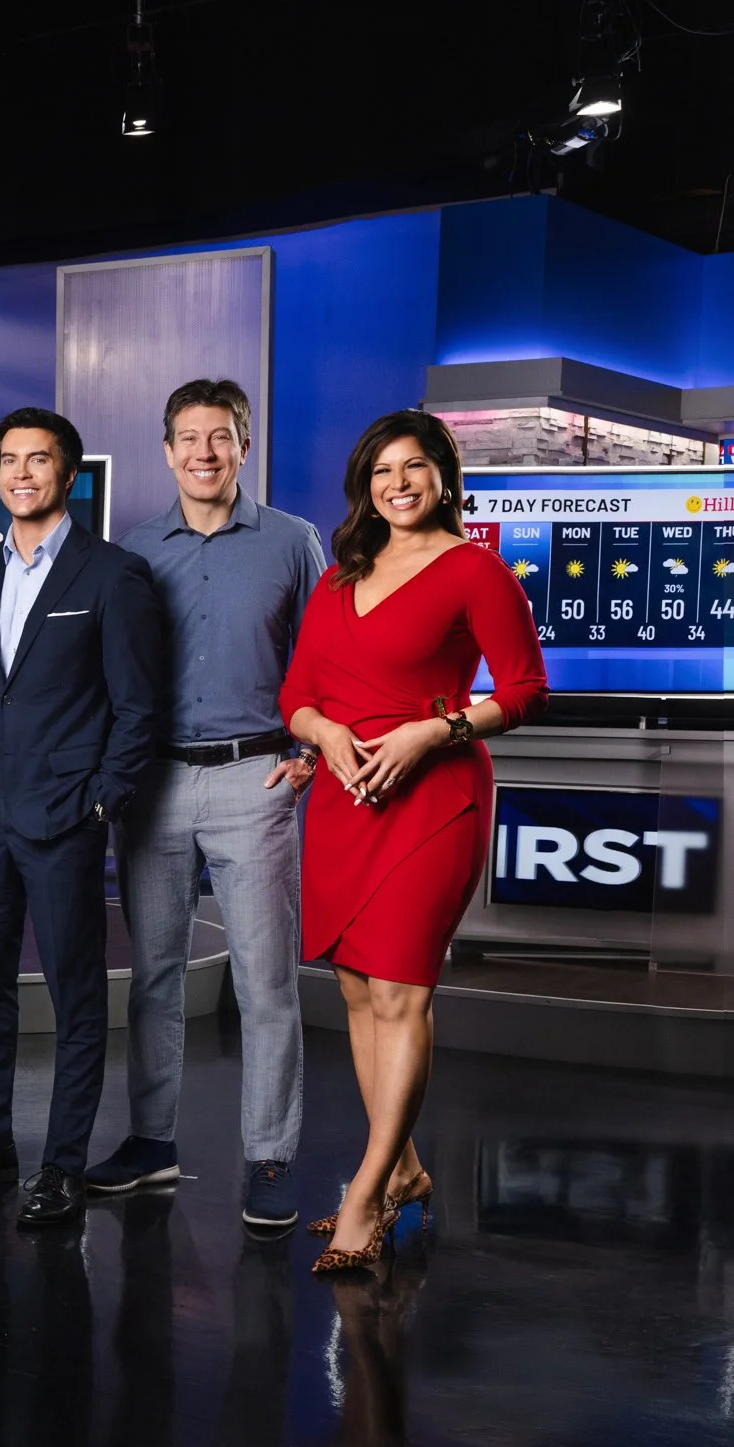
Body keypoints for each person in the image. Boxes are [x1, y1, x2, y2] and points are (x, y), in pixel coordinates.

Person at [282, 410, 545, 1273]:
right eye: (383, 469)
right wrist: (322, 735)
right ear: (366, 484)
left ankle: (365, 1189)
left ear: (444, 476)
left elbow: (525, 690)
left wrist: (432, 732)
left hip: (432, 802)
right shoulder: (340, 575)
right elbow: (299, 693)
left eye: (416, 466)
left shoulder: (477, 572)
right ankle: (407, 1169)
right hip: (344, 802)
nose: (399, 482)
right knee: (359, 994)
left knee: (400, 996)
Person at [95, 380, 330, 1231]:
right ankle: (152, 1143)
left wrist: (308, 753)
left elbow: (329, 654)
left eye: (220, 437)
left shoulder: (292, 542)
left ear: (243, 446)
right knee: (153, 977)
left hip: (254, 778)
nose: (203, 452)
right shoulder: (132, 550)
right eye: (188, 438)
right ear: (166, 450)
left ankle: (269, 1157)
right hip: (152, 785)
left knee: (265, 982)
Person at [0, 407, 164, 1227]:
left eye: (38, 460)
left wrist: (103, 798)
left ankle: (62, 1163)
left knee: (75, 996)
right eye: (8, 460)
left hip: (65, 814)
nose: (21, 473)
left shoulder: (112, 574)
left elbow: (139, 707)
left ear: (68, 475)